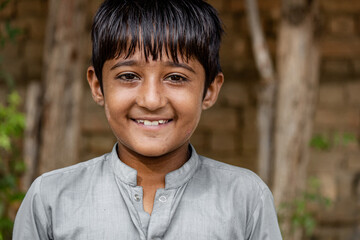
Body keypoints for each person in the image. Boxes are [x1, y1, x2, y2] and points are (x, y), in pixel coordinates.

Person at [13, 0, 282, 239]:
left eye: (176, 77)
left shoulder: (246, 199)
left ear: (210, 90)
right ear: (97, 87)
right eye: (128, 76)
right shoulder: (51, 199)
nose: (151, 100)